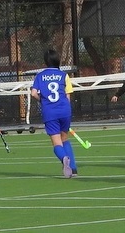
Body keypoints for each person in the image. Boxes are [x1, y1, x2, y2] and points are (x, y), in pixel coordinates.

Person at [30, 49, 78, 178]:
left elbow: (33, 93)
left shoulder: (40, 76)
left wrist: (42, 100)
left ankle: (64, 159)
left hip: (50, 112)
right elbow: (68, 96)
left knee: (57, 143)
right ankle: (73, 169)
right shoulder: (64, 75)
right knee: (65, 139)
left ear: (46, 62)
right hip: (64, 110)